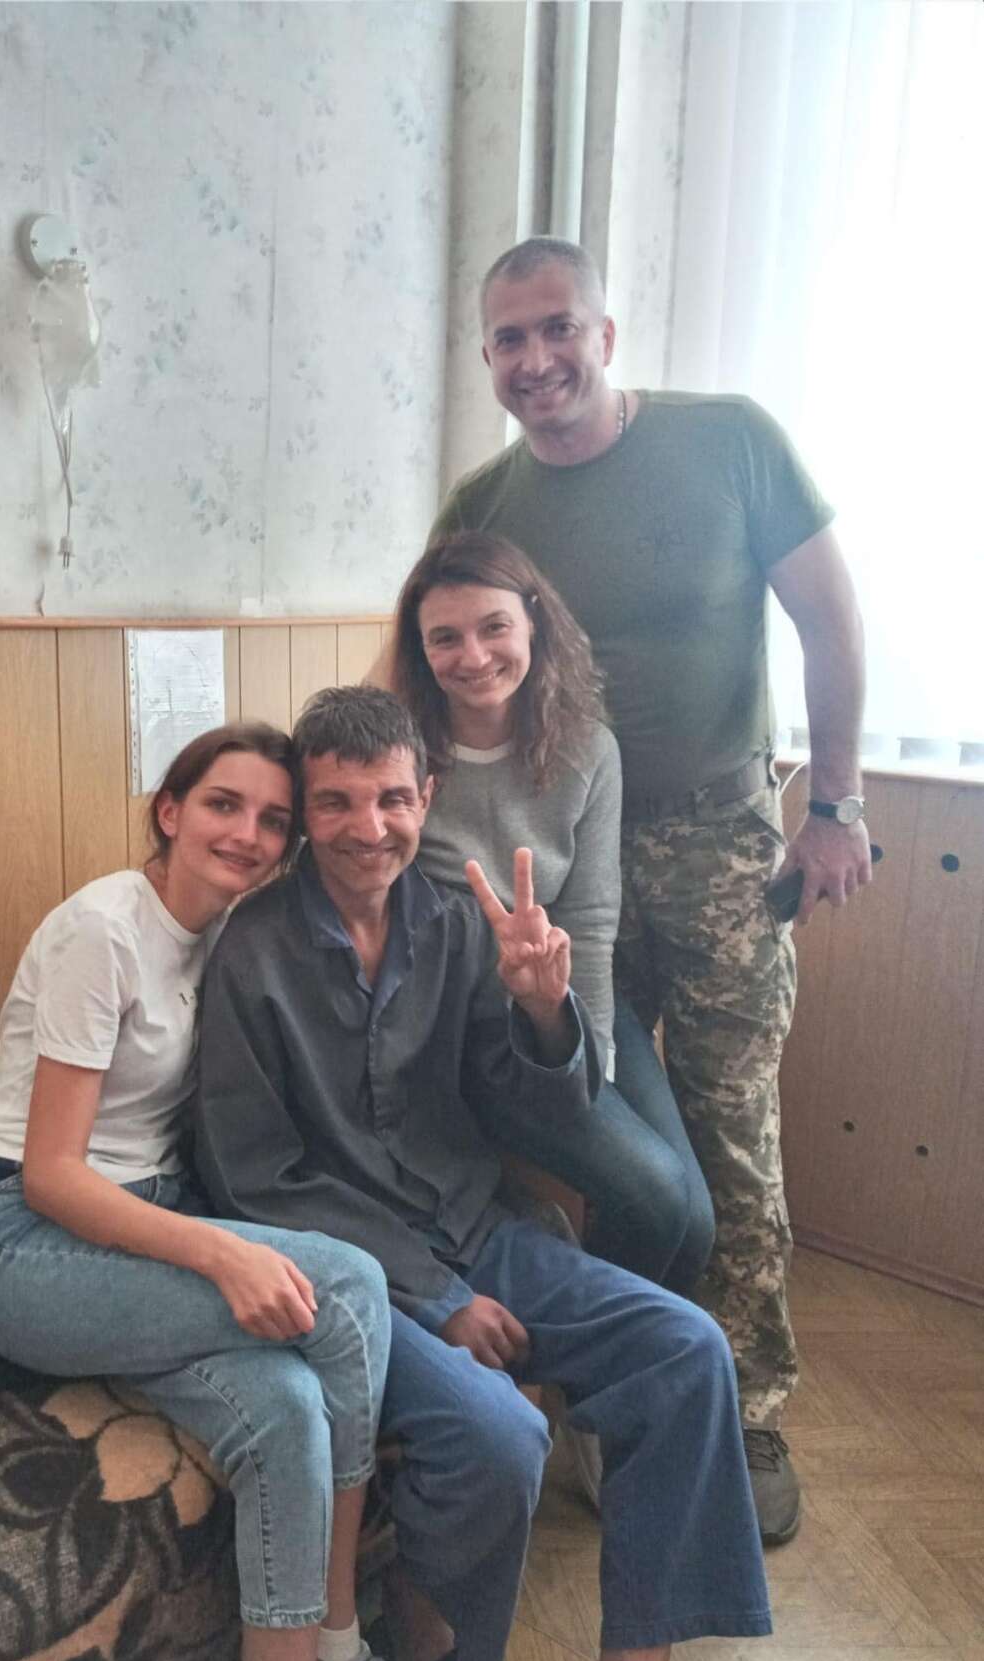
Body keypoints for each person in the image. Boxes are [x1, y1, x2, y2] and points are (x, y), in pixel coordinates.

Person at [195, 687, 770, 1661]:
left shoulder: (457, 922)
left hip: (478, 1231)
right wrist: (435, 1295)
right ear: (305, 813)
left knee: (689, 1353)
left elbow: (525, 1105)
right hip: (355, 1277)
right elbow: (253, 1177)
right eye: (336, 802)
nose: (368, 828)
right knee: (499, 1438)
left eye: (391, 799)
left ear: (428, 796)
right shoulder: (252, 951)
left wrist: (546, 1012)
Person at [428, 234, 872, 1543]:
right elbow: (445, 663)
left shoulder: (729, 440)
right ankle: (619, 1379)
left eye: (557, 327)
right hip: (566, 854)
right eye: (509, 339)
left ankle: (742, 1404)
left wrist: (837, 804)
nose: (536, 359)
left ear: (604, 334)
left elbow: (830, 617)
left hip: (723, 839)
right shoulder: (484, 500)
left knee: (730, 1130)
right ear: (488, 358)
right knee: (614, 1138)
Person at [0, 723, 401, 1661]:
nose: (247, 835)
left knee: (288, 1409)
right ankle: (340, 1634)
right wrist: (221, 1253)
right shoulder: (102, 931)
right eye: (223, 805)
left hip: (136, 1223)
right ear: (170, 812)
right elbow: (52, 1176)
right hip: (21, 1240)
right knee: (351, 1289)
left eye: (272, 820)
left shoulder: (224, 936)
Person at [390, 528, 713, 1297]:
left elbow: (592, 921)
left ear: (534, 622)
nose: (473, 656)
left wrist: (584, 1062)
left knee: (692, 1221)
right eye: (445, 638)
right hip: (469, 1028)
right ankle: (580, 1341)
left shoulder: (589, 749)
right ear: (421, 651)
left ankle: (605, 1356)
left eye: (494, 626)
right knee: (655, 1201)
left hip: (567, 1000)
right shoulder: (400, 749)